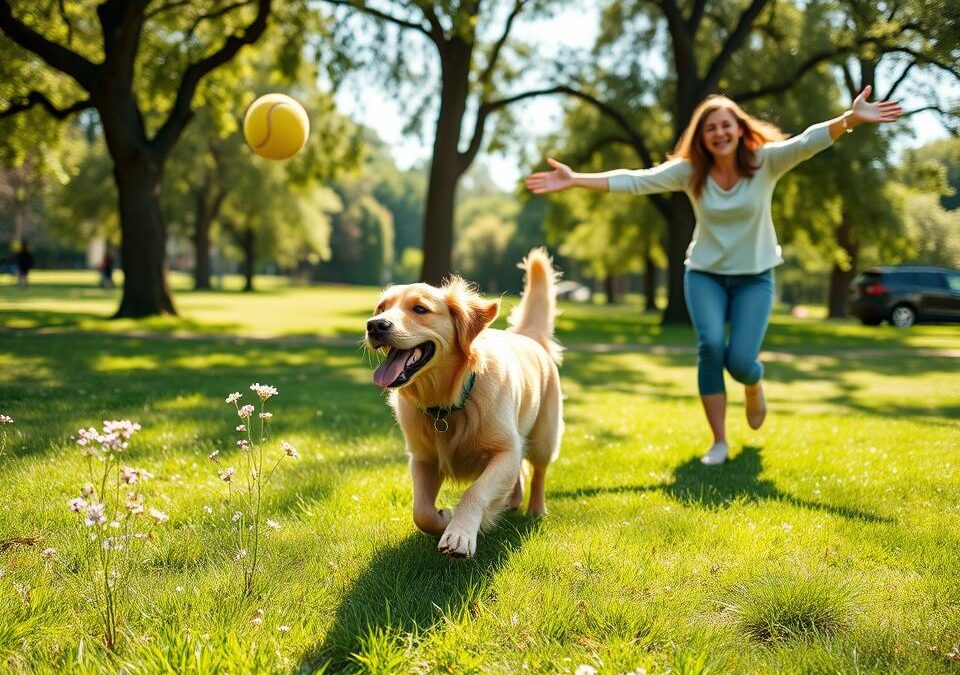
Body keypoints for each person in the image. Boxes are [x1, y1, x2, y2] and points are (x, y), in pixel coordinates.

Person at [526, 86, 902, 465]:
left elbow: (807, 141)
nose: (719, 133)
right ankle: (719, 441)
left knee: (739, 360)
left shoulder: (764, 162)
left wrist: (851, 119)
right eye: (710, 129)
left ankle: (753, 382)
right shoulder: (692, 172)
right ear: (702, 137)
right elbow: (637, 180)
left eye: (726, 125)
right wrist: (575, 179)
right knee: (710, 347)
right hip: (704, 274)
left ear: (739, 129)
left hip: (754, 277)